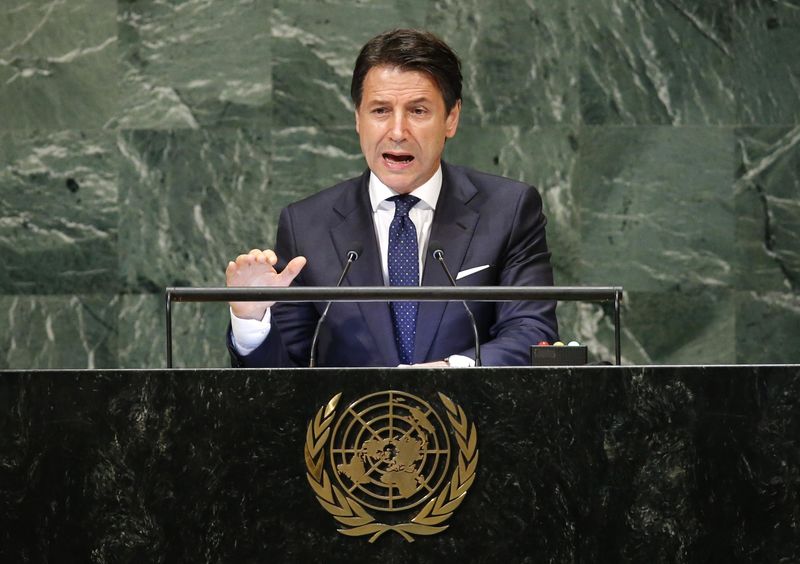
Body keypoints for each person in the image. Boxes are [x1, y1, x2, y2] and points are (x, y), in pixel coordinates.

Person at [226, 28, 558, 368]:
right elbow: (286, 378)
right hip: (352, 422)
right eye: (380, 110)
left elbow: (531, 332)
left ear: (451, 118)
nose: (398, 132)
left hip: (473, 418)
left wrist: (449, 372)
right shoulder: (306, 226)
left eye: (417, 111)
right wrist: (250, 320)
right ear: (358, 118)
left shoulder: (508, 210)